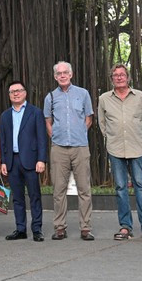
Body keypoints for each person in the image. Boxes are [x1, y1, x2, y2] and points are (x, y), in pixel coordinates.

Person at [98, 64, 142, 242]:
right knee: (121, 188)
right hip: (115, 148)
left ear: (128, 77)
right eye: (115, 75)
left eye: (122, 74)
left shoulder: (139, 96)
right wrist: (111, 138)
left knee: (141, 186)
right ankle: (125, 226)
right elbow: (102, 124)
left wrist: (140, 138)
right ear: (112, 79)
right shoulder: (104, 99)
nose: (119, 77)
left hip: (137, 148)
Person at [44, 61, 95, 241]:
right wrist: (56, 137)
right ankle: (59, 227)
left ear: (71, 74)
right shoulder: (50, 97)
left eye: (66, 72)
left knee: (84, 189)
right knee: (58, 190)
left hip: (80, 146)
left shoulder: (83, 94)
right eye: (59, 73)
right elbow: (48, 121)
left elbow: (88, 118)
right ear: (55, 77)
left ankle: (86, 227)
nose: (63, 75)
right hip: (59, 148)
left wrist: (79, 133)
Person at [0, 80, 48, 242]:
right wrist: (3, 162)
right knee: (17, 197)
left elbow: (42, 138)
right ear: (9, 95)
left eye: (19, 90)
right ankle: (20, 229)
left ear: (25, 93)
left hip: (31, 160)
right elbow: (3, 140)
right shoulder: (5, 115)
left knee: (34, 195)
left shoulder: (35, 112)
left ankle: (37, 229)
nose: (16, 93)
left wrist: (41, 159)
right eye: (12, 91)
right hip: (12, 161)